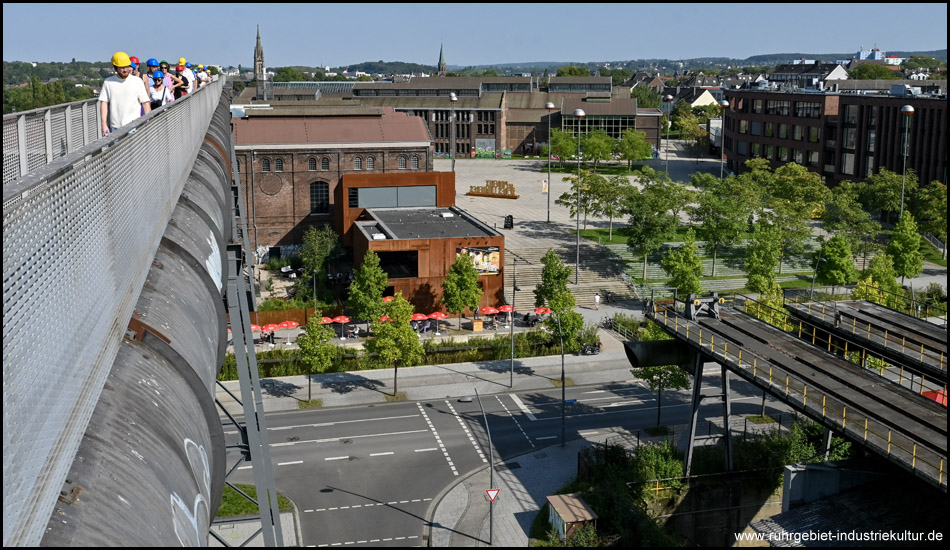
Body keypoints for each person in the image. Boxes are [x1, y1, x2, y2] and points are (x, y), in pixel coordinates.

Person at [99, 51, 151, 136]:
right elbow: (104, 103)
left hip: (134, 126)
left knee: (135, 149)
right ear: (115, 68)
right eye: (122, 67)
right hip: (115, 127)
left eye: (127, 66)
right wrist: (104, 125)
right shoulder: (108, 82)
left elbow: (145, 102)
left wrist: (148, 121)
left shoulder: (137, 81)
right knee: (116, 149)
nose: (125, 70)